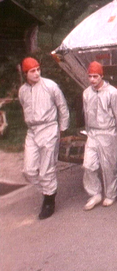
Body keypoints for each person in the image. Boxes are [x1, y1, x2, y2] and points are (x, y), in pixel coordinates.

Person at [18, 57, 69, 220]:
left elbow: (62, 106)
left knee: (47, 168)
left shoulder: (50, 86)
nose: (37, 73)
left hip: (48, 128)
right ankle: (49, 190)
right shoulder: (23, 91)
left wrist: (62, 128)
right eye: (32, 71)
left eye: (38, 69)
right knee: (29, 170)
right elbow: (24, 106)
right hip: (32, 131)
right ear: (25, 73)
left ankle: (49, 201)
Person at [82, 61, 117, 211]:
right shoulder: (86, 93)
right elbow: (86, 114)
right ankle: (95, 193)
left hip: (108, 133)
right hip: (92, 133)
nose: (92, 80)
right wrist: (87, 131)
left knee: (108, 166)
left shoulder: (113, 93)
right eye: (90, 76)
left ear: (102, 76)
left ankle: (111, 194)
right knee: (88, 165)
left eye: (95, 76)